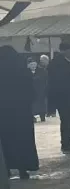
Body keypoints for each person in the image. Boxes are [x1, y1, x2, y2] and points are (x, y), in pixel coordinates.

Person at [0, 47, 38, 179]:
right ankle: (23, 169)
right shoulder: (23, 71)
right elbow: (32, 92)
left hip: (3, 114)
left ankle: (6, 169)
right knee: (23, 140)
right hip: (22, 112)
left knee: (6, 141)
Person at [46, 44, 70, 153]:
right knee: (66, 120)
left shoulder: (66, 62)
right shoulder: (58, 63)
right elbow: (59, 82)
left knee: (68, 120)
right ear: (66, 50)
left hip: (67, 97)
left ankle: (67, 143)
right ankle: (66, 145)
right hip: (63, 97)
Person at [31, 55, 48, 122]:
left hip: (42, 89)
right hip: (35, 90)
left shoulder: (43, 70)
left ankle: (42, 116)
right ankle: (34, 116)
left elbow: (45, 79)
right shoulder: (30, 71)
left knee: (42, 104)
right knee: (35, 104)